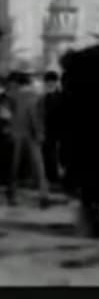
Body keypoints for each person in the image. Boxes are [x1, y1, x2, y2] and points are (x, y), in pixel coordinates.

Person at [6, 70, 50, 208]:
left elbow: (6, 115)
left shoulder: (11, 96)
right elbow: (36, 118)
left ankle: (12, 194)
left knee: (13, 167)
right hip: (31, 136)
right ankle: (43, 196)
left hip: (15, 134)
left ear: (16, 83)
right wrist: (40, 134)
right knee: (38, 167)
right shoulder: (35, 97)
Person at [41, 71, 62, 187]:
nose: (49, 84)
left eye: (51, 82)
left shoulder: (60, 96)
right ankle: (51, 177)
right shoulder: (44, 97)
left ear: (55, 82)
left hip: (57, 130)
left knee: (55, 154)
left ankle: (55, 177)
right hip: (47, 130)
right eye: (47, 82)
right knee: (48, 153)